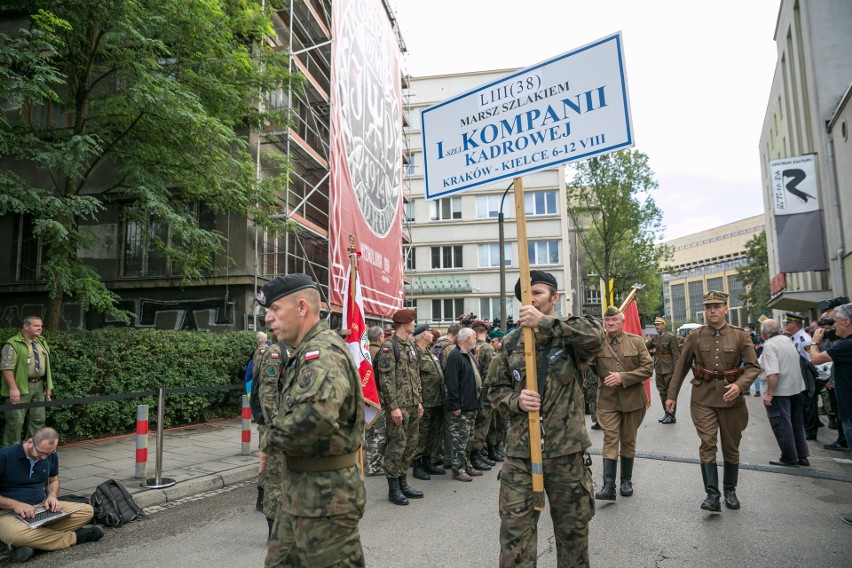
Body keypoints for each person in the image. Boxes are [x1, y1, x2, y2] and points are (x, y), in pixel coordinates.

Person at [491, 270, 604, 567]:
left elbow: (597, 334)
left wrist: (544, 323)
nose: (531, 298)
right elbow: (493, 391)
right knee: (515, 537)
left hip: (566, 454)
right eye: (526, 295)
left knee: (573, 535)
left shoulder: (571, 337)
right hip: (520, 454)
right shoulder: (511, 342)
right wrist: (515, 401)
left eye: (537, 292)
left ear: (554, 298)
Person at [258, 273, 366, 567]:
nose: (268, 318)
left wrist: (269, 440)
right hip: (301, 490)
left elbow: (315, 418)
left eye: (275, 309)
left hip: (325, 497)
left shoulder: (323, 353)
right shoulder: (305, 351)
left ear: (302, 307)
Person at [666, 291, 760, 513]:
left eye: (717, 306)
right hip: (703, 398)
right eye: (708, 307)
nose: (713, 311)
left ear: (726, 309)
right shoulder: (695, 336)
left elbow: (754, 367)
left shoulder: (739, 336)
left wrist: (739, 386)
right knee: (707, 443)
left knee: (730, 446)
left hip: (732, 400)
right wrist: (671, 396)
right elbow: (681, 367)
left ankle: (730, 490)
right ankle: (712, 495)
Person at [0, 428, 103, 563]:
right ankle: (75, 537)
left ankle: (32, 544)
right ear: (30, 442)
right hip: (7, 514)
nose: (44, 457)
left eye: (49, 453)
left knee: (87, 511)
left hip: (40, 508)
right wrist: (16, 505)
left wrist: (52, 496)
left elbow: (53, 480)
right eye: (41, 453)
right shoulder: (5, 456)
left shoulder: (50, 454)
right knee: (15, 534)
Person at [593, 306, 654, 500]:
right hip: (607, 400)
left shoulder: (635, 342)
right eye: (607, 320)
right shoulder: (597, 343)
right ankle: (608, 486)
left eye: (614, 320)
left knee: (628, 440)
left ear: (622, 321)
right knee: (610, 438)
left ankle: (625, 481)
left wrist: (623, 377)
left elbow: (648, 368)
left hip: (633, 400)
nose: (610, 323)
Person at [808, 302, 852, 526]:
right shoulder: (845, 343)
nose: (833, 326)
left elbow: (815, 358)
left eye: (835, 321)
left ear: (847, 322)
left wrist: (815, 340)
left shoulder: (847, 345)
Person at [375, 309, 424, 506]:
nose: (415, 324)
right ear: (404, 323)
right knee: (397, 446)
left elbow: (415, 375)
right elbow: (386, 380)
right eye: (413, 321)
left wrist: (418, 400)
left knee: (410, 445)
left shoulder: (410, 346)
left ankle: (403, 482)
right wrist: (393, 407)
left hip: (412, 403)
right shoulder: (389, 346)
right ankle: (393, 488)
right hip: (399, 406)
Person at [758, 320, 809, 467]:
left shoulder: (769, 345)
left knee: (782, 424)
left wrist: (769, 393)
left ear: (763, 333)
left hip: (780, 391)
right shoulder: (787, 340)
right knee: (796, 424)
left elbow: (773, 373)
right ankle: (802, 455)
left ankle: (789, 457)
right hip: (795, 388)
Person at [1, 317, 53, 448]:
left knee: (38, 420)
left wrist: (48, 386)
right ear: (26, 326)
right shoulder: (12, 344)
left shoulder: (42, 342)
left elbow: (47, 366)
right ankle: (10, 453)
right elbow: (6, 368)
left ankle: (32, 451)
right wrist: (13, 388)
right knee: (15, 422)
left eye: (40, 325)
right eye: (36, 326)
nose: (40, 328)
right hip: (20, 388)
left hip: (39, 386)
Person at [443, 327, 483, 482]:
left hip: (471, 404)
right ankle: (458, 469)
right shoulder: (455, 356)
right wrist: (455, 406)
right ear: (467, 339)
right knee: (459, 440)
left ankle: (466, 466)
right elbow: (451, 383)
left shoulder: (469, 355)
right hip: (462, 406)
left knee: (468, 439)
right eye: (474, 337)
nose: (475, 340)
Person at [411, 324, 446, 481]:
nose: (432, 335)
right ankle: (417, 465)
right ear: (423, 335)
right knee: (422, 435)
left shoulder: (429, 352)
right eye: (429, 333)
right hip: (424, 402)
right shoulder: (415, 353)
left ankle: (428, 461)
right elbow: (413, 379)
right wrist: (418, 400)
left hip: (436, 400)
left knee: (433, 434)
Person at [248, 331, 271, 514]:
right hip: (268, 416)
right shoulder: (267, 353)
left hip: (269, 414)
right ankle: (261, 498)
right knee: (267, 456)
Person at [470, 320, 496, 471]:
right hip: (485, 393)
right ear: (485, 331)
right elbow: (490, 374)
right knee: (482, 425)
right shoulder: (486, 347)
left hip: (473, 391)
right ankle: (476, 454)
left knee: (475, 425)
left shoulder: (472, 346)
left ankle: (476, 454)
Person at [646, 317, 680, 424]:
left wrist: (676, 370)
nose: (657, 326)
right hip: (659, 368)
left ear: (664, 325)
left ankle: (671, 415)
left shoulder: (670, 337)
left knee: (670, 393)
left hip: (669, 369)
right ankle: (666, 413)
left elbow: (676, 355)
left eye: (659, 324)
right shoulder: (655, 338)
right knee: (662, 392)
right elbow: (644, 346)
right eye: (655, 325)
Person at [364, 326, 387, 477]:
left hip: (366, 399)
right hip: (377, 399)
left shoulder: (363, 353)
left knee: (369, 432)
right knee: (380, 433)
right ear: (380, 338)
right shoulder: (380, 354)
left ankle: (369, 461)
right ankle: (374, 466)